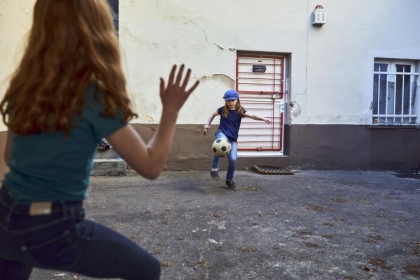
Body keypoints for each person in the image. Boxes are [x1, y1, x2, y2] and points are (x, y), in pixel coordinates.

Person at [0, 1, 199, 279]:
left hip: (6, 218)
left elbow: (10, 156)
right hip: (53, 228)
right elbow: (151, 166)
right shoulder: (92, 96)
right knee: (147, 269)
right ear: (96, 31)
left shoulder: (24, 87)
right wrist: (171, 110)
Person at [202, 90, 271, 191]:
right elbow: (212, 115)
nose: (230, 103)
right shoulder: (222, 110)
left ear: (237, 100)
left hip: (232, 139)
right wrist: (206, 126)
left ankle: (229, 180)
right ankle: (214, 169)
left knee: (233, 160)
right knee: (221, 144)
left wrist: (263, 118)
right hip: (222, 133)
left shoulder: (240, 111)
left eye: (232, 100)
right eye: (228, 101)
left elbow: (252, 116)